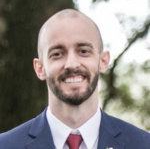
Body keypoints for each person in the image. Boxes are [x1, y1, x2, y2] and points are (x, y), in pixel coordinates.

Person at [0, 9, 150, 149]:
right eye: (57, 54)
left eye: (83, 51)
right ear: (40, 68)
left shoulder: (143, 144)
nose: (71, 64)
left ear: (103, 61)